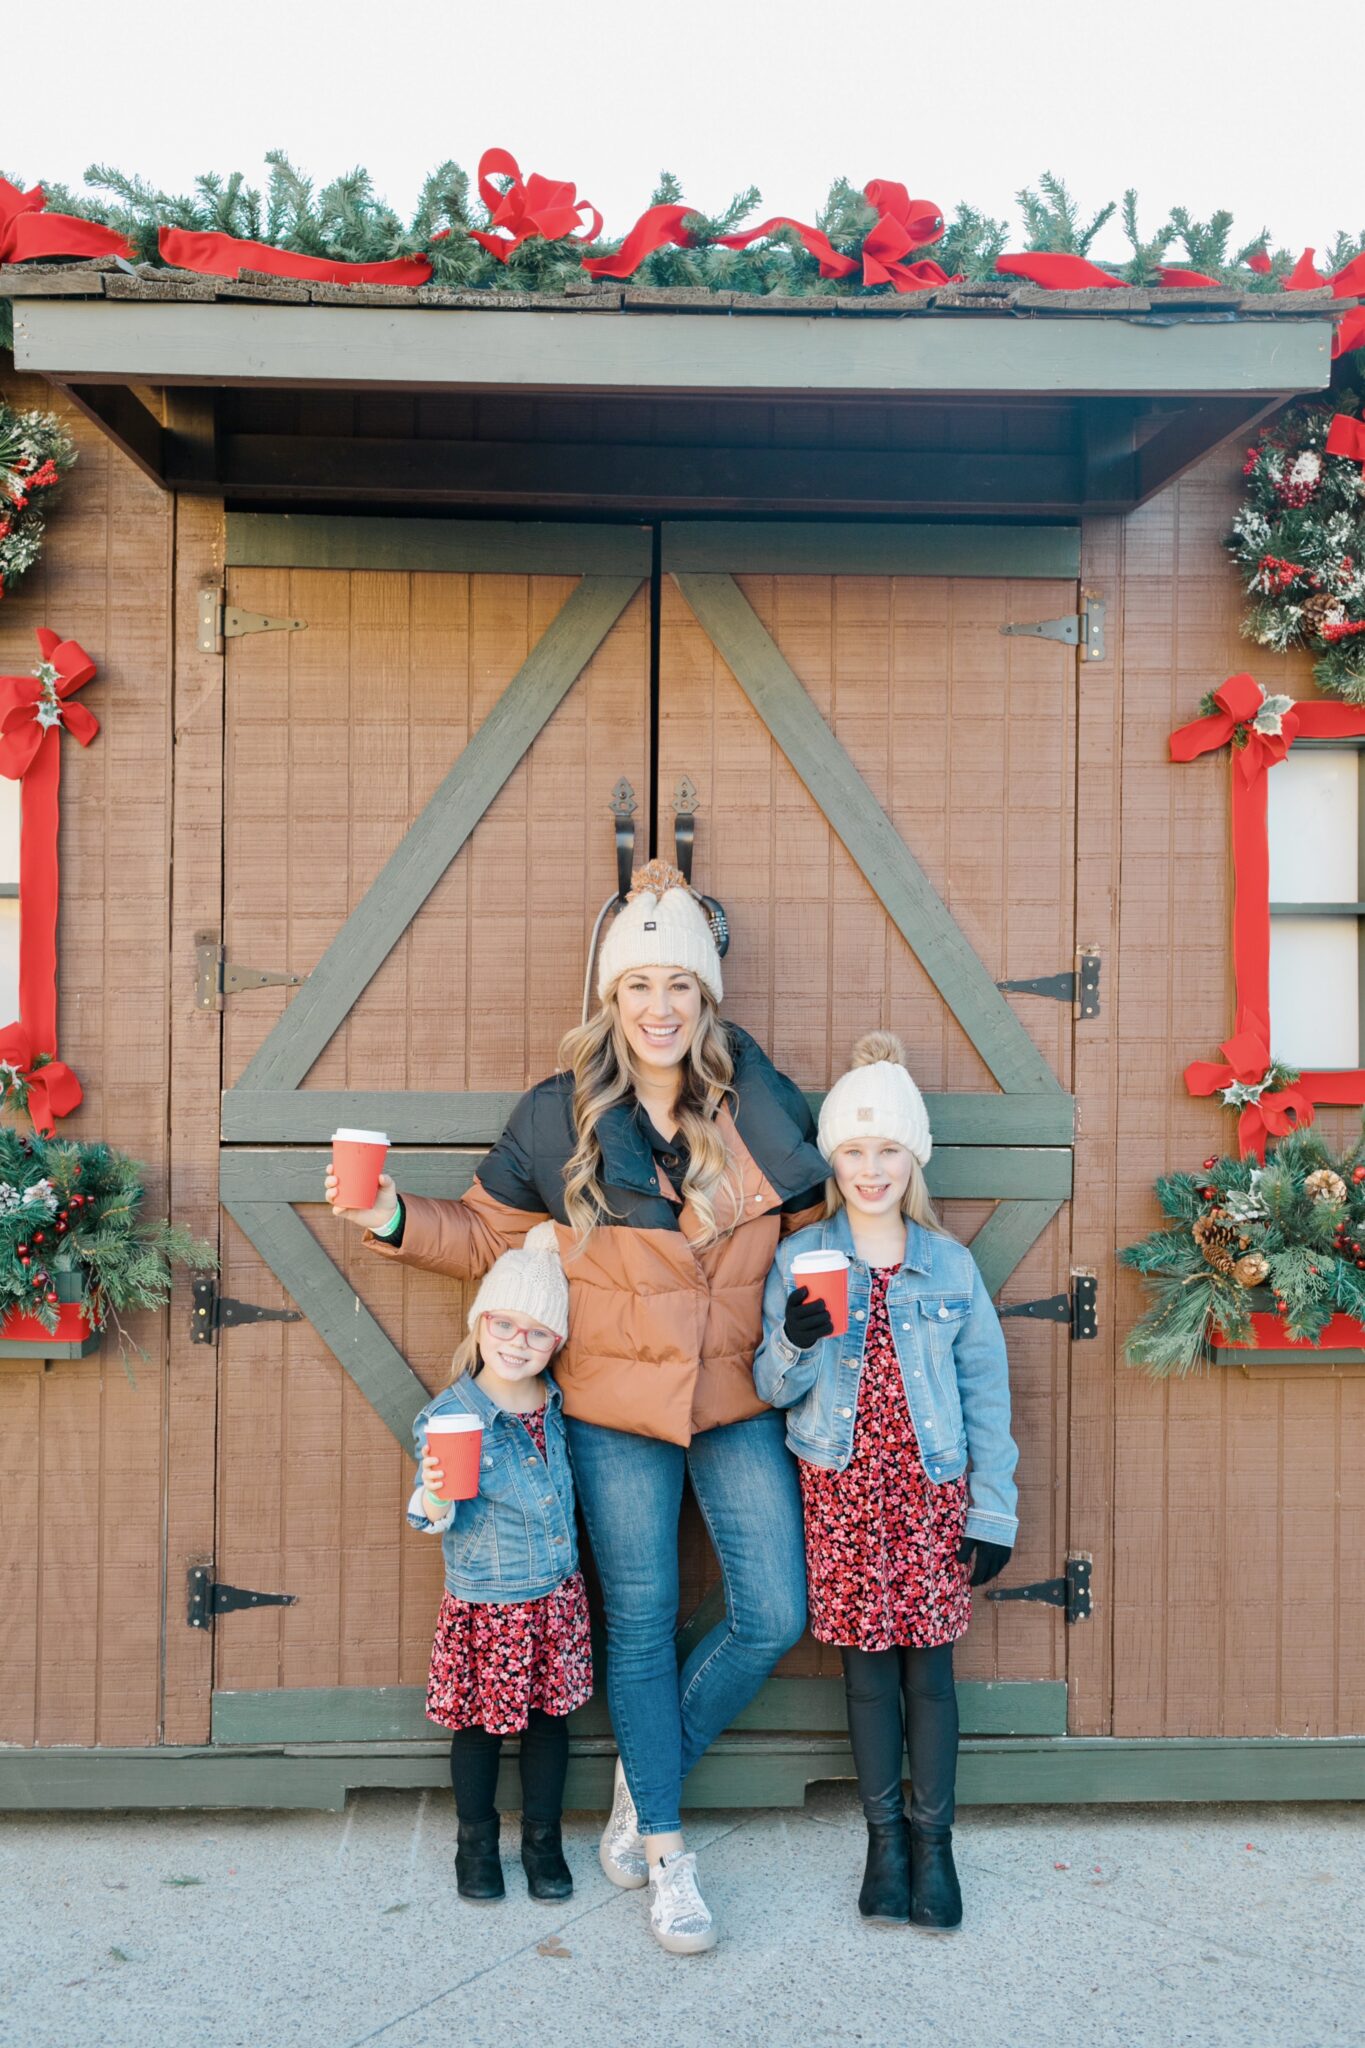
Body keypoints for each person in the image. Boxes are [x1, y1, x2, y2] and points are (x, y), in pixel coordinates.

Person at [327, 860, 827, 1954]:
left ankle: (643, 1784)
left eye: (680, 986)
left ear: (706, 1000)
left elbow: (813, 1244)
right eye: (640, 984)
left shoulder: (758, 1103)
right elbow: (483, 1237)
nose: (660, 1007)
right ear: (612, 998)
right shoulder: (559, 1118)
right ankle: (669, 1856)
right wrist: (385, 1213)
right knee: (639, 1626)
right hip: (610, 1409)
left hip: (739, 1396)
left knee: (774, 1611)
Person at [753, 1032, 1018, 1930]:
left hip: (930, 1495)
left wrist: (993, 1508)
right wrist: (793, 1337)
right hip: (840, 1492)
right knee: (865, 1677)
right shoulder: (802, 1259)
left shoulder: (948, 1265)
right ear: (834, 1161)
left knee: (929, 1676)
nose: (871, 1170)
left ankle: (933, 1847)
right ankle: (882, 1847)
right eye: (854, 1153)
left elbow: (986, 1393)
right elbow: (770, 1386)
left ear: (914, 1159)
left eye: (888, 1152)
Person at [408, 1224, 591, 1905]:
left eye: (536, 1332)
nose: (517, 1342)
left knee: (549, 1725)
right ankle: (474, 1843)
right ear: (480, 1322)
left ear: (557, 1343)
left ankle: (542, 1841)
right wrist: (432, 1491)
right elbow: (432, 1513)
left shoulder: (557, 1408)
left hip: (554, 1596)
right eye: (504, 1324)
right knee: (479, 1729)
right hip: (487, 1604)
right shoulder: (450, 1417)